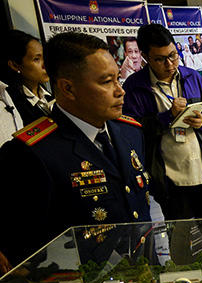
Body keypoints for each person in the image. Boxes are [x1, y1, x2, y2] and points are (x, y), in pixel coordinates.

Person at [0, 32, 151, 267]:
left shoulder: (130, 132)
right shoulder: (32, 153)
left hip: (142, 271)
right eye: (106, 82)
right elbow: (25, 249)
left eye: (117, 79)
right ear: (68, 88)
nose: (120, 91)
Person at [123, 23, 202, 264]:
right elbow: (132, 132)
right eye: (161, 60)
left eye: (173, 56)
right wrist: (167, 117)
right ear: (146, 58)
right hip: (167, 176)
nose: (170, 64)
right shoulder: (135, 87)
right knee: (179, 237)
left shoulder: (192, 76)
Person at [2, 30, 54, 124]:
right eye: (36, 59)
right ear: (14, 65)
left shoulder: (49, 96)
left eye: (44, 57)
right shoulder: (10, 105)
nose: (45, 65)